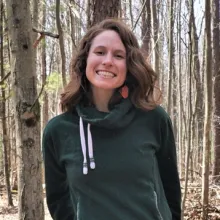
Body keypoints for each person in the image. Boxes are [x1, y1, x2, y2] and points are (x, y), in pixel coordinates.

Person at [42, 18, 181, 220]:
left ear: (129, 65)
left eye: (118, 55)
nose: (107, 61)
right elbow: (58, 201)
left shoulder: (154, 119)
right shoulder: (58, 131)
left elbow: (171, 191)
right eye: (99, 52)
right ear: (85, 60)